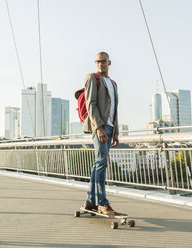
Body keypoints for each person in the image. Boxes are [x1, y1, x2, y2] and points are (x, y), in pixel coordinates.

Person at [83, 51, 119, 215]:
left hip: (110, 128)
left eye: (103, 61)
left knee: (98, 163)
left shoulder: (113, 83)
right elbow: (91, 104)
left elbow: (114, 109)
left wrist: (116, 132)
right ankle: (102, 202)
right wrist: (98, 128)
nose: (100, 64)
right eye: (97, 62)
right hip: (100, 127)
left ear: (109, 63)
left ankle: (90, 201)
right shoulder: (92, 78)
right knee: (101, 163)